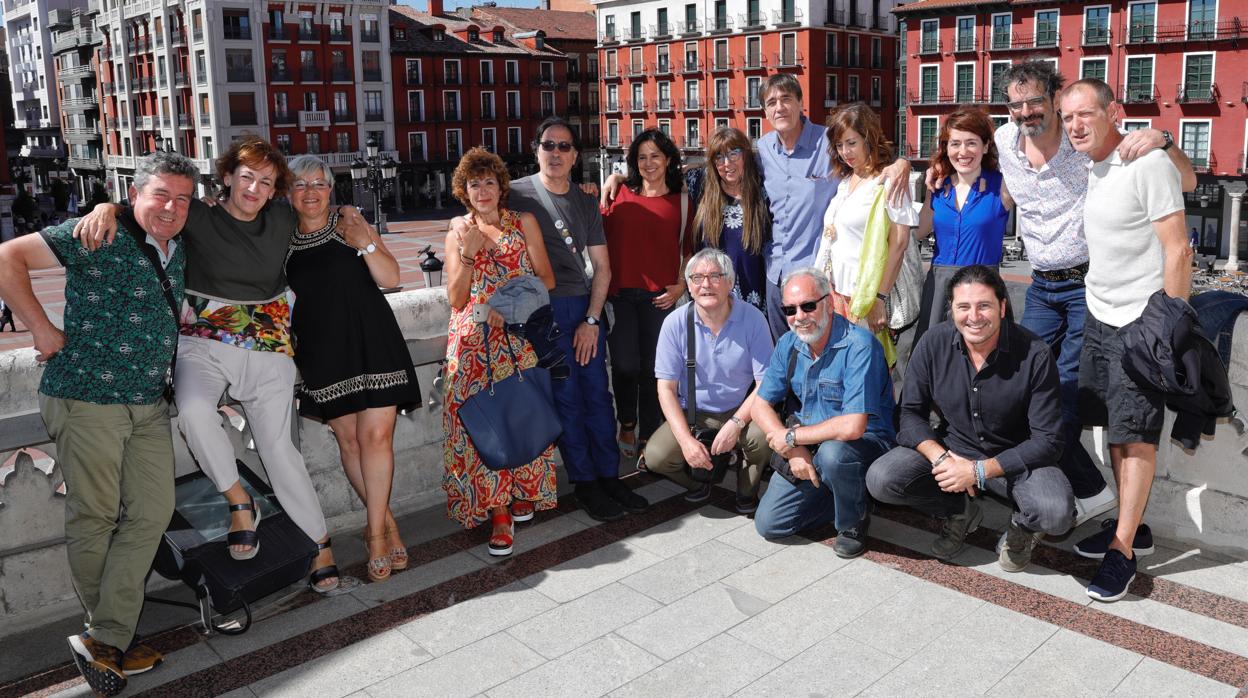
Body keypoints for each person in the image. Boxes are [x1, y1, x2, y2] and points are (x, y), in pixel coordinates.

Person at [75, 137, 346, 593]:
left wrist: (351, 218)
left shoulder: (282, 216)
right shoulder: (197, 215)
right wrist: (106, 207)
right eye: (246, 177)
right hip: (202, 339)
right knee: (196, 414)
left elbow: (320, 210)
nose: (255, 189)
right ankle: (240, 502)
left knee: (280, 449)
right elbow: (150, 206)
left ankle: (320, 545)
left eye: (266, 181)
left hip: (267, 341)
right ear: (226, 177)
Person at [0, 152, 199, 695]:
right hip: (88, 397)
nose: (172, 207)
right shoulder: (96, 232)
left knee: (153, 511)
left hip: (148, 403)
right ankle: (109, 638)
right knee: (94, 517)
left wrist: (110, 204)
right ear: (134, 193)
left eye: (183, 198)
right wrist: (41, 330)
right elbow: (6, 258)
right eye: (161, 194)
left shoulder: (176, 240)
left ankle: (105, 635)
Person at [972, 59, 1196, 527]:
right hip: (1040, 287)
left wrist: (1165, 140)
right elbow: (961, 147)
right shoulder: (1004, 142)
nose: (1026, 111)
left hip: (1085, 288)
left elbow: (1188, 182)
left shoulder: (1086, 143)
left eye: (1036, 100)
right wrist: (902, 168)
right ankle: (1087, 490)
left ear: (1055, 98)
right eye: (1016, 104)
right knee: (1014, 382)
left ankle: (1080, 496)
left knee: (1067, 394)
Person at [455, 117, 648, 521]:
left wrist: (592, 320)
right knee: (565, 400)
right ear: (537, 150)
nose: (556, 153)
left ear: (576, 155)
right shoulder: (517, 194)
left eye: (565, 147)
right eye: (549, 145)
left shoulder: (584, 200)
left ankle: (610, 476)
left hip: (580, 309)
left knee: (598, 395)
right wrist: (459, 225)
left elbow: (602, 267)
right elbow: (477, 213)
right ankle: (586, 483)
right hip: (538, 315)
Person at [1059, 79, 1191, 602]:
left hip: (1142, 323)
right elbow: (1192, 176)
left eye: (1084, 115)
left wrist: (1167, 332)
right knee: (1117, 428)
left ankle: (1123, 552)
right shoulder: (1099, 165)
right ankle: (1131, 527)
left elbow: (1178, 251)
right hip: (1100, 315)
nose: (1074, 126)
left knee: (1136, 435)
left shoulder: (1146, 163)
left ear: (1114, 111)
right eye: (1067, 117)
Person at [867, 265, 1073, 568]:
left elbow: (1048, 440)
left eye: (984, 305)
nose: (973, 316)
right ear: (951, 308)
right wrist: (941, 459)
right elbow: (909, 414)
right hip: (954, 449)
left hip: (1014, 459)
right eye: (963, 306)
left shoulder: (1035, 353)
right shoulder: (933, 343)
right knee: (881, 480)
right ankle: (958, 509)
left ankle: (1022, 527)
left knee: (1056, 513)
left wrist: (978, 471)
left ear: (1002, 307)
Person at [283, 155, 420, 581]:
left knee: (376, 436)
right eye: (301, 184)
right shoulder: (280, 241)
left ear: (331, 189)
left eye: (319, 183)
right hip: (322, 350)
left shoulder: (350, 226)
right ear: (288, 193)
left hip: (372, 338)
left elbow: (391, 276)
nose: (310, 191)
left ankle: (375, 534)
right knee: (350, 442)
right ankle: (387, 524)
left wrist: (364, 240)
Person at [442, 147, 559, 555]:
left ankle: (523, 489)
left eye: (489, 181)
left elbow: (546, 279)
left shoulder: (522, 223)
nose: (482, 190)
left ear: (500, 186)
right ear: (464, 191)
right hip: (473, 344)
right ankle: (499, 513)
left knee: (520, 414)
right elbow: (456, 298)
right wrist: (469, 253)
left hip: (517, 336)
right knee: (481, 425)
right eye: (474, 184)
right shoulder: (457, 232)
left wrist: (502, 305)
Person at [752, 268, 895, 558]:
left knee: (833, 455)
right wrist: (792, 450)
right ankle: (847, 493)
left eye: (808, 305)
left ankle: (852, 523)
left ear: (828, 303)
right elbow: (759, 404)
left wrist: (791, 438)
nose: (799, 316)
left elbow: (853, 426)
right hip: (811, 441)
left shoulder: (859, 346)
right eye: (790, 310)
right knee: (770, 525)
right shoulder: (789, 343)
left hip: (865, 444)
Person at [756, 75, 910, 340]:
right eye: (771, 102)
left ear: (801, 102)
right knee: (782, 353)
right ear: (765, 111)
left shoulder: (828, 141)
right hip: (776, 273)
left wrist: (902, 164)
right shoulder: (763, 148)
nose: (779, 107)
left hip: (817, 280)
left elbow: (867, 157)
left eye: (786, 99)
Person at [645, 248, 774, 513]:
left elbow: (766, 384)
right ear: (689, 286)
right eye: (697, 277)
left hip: (740, 409)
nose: (706, 284)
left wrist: (736, 424)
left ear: (730, 282)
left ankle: (747, 492)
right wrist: (685, 440)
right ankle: (697, 484)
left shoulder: (753, 319)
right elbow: (666, 389)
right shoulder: (675, 323)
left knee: (763, 438)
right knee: (656, 457)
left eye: (715, 276)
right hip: (692, 411)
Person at [601, 128, 692, 459]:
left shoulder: (682, 201)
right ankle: (627, 421)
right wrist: (614, 178)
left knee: (656, 370)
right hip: (620, 295)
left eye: (655, 155)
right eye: (642, 157)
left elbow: (689, 250)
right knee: (625, 365)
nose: (649, 163)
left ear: (667, 159)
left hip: (660, 299)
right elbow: (597, 239)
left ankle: (650, 434)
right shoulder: (618, 195)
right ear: (633, 163)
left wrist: (681, 285)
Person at [815, 102, 919, 337]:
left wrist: (879, 297)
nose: (845, 152)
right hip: (838, 295)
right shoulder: (844, 183)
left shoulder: (889, 181)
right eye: (839, 145)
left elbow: (899, 243)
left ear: (869, 139)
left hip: (866, 298)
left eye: (852, 143)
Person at [911, 109, 1012, 348]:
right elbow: (919, 231)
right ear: (946, 148)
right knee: (935, 361)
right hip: (939, 290)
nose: (963, 152)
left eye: (971, 143)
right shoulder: (938, 186)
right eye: (955, 144)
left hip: (983, 289)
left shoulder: (1003, 186)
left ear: (986, 146)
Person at [691, 127, 770, 315]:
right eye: (719, 157)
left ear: (746, 156)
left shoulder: (763, 191)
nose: (727, 164)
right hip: (711, 297)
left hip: (754, 297)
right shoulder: (700, 185)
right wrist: (617, 177)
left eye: (734, 154)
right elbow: (658, 180)